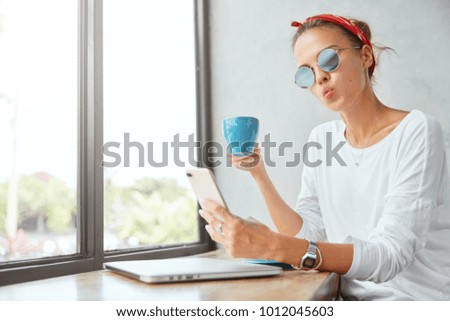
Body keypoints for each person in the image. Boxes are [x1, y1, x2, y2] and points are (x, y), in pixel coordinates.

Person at [199, 14, 450, 300]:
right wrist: (260, 175)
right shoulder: (322, 139)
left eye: (329, 59)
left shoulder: (417, 130)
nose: (320, 77)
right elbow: (308, 235)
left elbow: (390, 256)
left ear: (366, 56)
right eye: (306, 72)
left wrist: (273, 246)